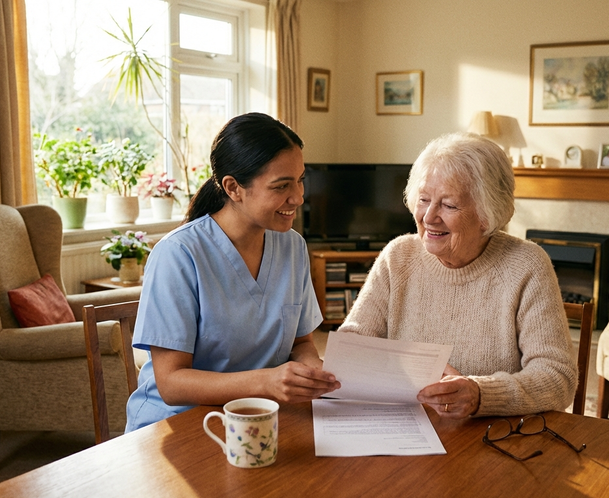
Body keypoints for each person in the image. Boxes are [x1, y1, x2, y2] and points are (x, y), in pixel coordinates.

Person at [125, 112, 340, 432]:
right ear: (233, 188)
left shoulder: (292, 247)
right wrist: (267, 381)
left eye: (300, 179)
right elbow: (171, 384)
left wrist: (312, 372)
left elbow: (302, 343)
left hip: (258, 417)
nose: (298, 197)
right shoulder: (178, 255)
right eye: (282, 185)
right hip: (179, 425)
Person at [339, 132, 578, 418]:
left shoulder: (526, 265)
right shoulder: (398, 257)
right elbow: (351, 347)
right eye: (424, 199)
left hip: (490, 438)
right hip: (406, 427)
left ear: (487, 214)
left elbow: (557, 378)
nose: (428, 217)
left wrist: (481, 394)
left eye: (449, 205)